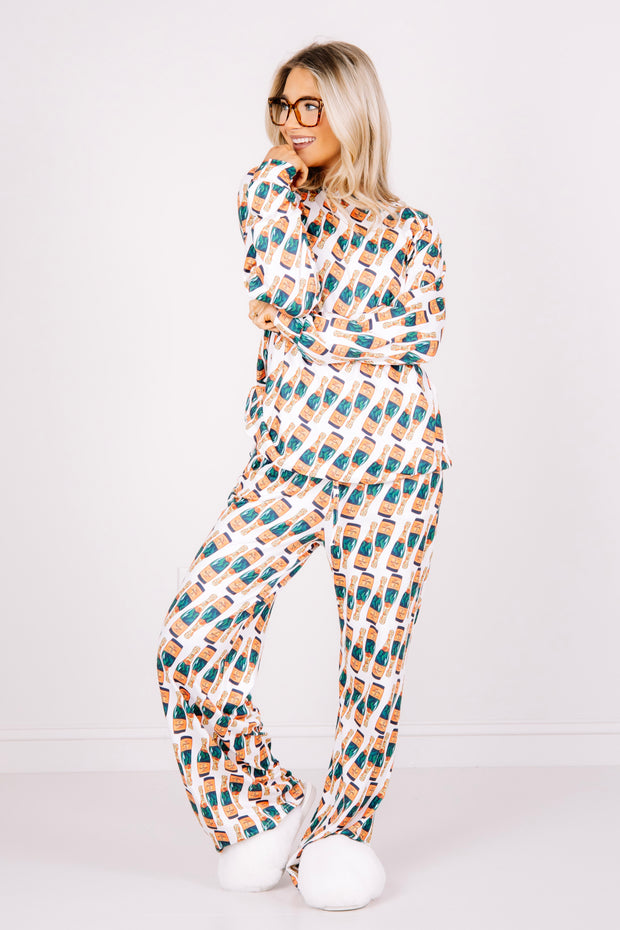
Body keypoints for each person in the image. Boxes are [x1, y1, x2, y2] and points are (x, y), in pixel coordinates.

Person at [156, 39, 454, 912]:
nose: (292, 122)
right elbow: (287, 296)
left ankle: (339, 833)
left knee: (372, 666)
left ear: (353, 110)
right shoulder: (272, 202)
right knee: (190, 639)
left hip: (394, 465)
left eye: (311, 105)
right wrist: (270, 190)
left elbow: (417, 334)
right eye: (283, 106)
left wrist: (312, 333)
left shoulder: (412, 231)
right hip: (287, 464)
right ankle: (262, 807)